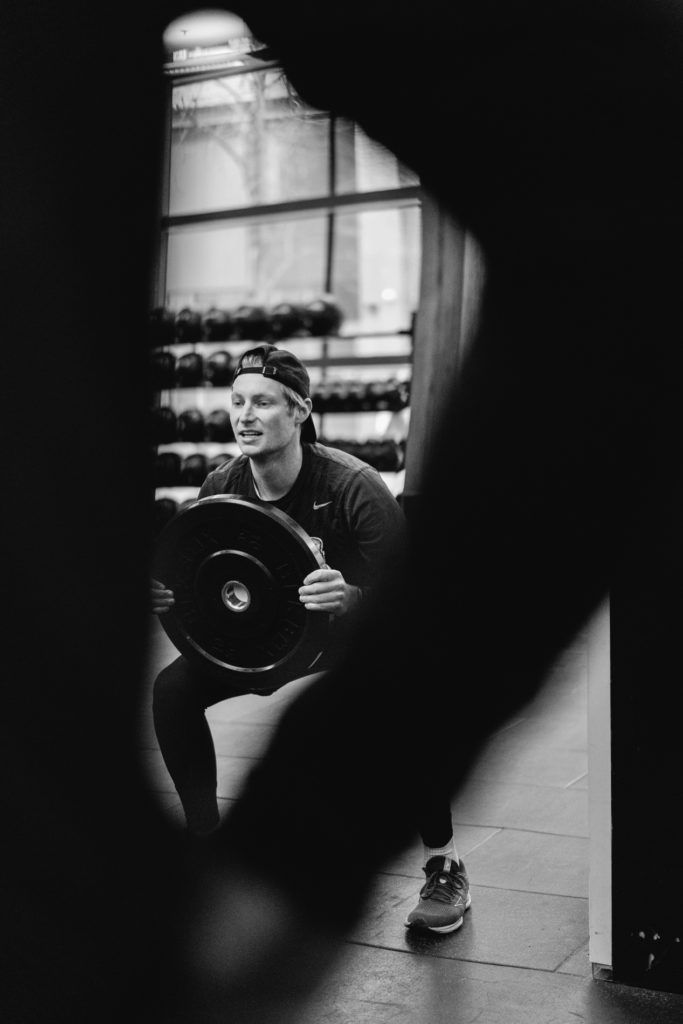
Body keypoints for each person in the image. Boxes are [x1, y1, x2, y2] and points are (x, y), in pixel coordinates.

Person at [151, 342, 470, 934]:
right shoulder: (222, 484)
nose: (246, 415)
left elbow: (416, 607)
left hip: (348, 640)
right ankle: (205, 849)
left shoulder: (353, 487)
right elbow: (208, 586)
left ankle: (443, 861)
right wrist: (173, 597)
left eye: (264, 404)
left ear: (299, 411)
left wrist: (352, 599)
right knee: (172, 691)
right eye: (238, 402)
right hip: (266, 641)